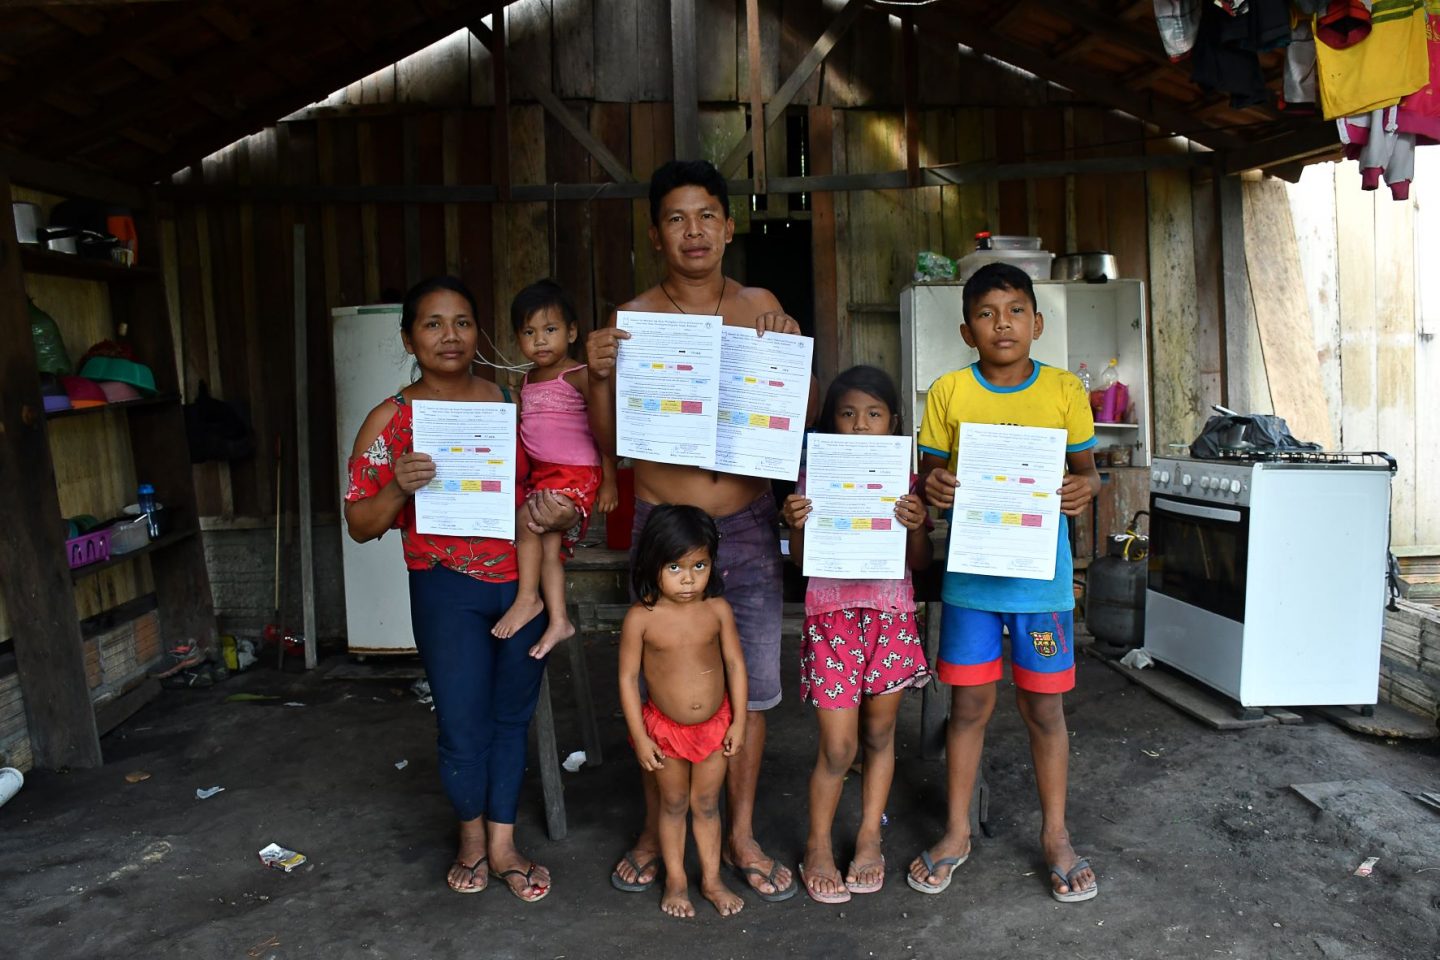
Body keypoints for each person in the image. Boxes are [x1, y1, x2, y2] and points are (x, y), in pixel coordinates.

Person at [587, 159, 809, 902]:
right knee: (664, 685)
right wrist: (597, 377)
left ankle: (738, 831)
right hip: (663, 523)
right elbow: (609, 436)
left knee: (748, 689)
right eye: (677, 218)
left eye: (706, 215)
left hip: (744, 523)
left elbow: (793, 418)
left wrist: (788, 345)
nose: (694, 231)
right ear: (657, 233)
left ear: (728, 225)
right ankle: (659, 828)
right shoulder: (632, 320)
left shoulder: (761, 305)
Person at [343, 276, 579, 902]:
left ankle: (502, 844)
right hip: (445, 588)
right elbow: (360, 523)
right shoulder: (391, 420)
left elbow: (561, 479)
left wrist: (563, 512)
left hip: (521, 584)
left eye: (463, 322)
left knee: (511, 715)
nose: (450, 335)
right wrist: (398, 486)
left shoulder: (514, 403)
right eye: (432, 323)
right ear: (407, 338)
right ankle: (471, 838)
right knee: (461, 721)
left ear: (480, 333)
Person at [909, 262, 1102, 902]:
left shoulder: (1065, 392)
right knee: (968, 707)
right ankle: (957, 832)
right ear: (968, 331)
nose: (1003, 324)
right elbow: (930, 478)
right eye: (988, 314)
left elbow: (1089, 473)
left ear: (1037, 322)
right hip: (971, 583)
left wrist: (1084, 487)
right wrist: (933, 489)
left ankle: (1055, 836)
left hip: (1040, 586)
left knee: (1044, 708)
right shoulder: (948, 393)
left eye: (1016, 310)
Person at [781, 365, 934, 903]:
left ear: (894, 424)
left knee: (878, 736)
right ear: (829, 425)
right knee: (838, 745)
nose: (860, 426)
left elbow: (918, 562)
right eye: (847, 414)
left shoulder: (906, 483)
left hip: (890, 615)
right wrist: (795, 526)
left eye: (874, 414)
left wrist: (917, 525)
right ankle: (817, 844)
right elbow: (801, 565)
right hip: (832, 619)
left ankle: (869, 836)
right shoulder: (813, 478)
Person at [618, 505, 749, 919]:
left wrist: (740, 721)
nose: (689, 578)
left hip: (715, 727)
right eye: (674, 566)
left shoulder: (717, 611)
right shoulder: (642, 618)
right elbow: (626, 679)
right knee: (672, 803)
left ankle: (710, 880)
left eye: (699, 565)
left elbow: (735, 666)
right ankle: (676, 881)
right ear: (651, 563)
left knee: (707, 804)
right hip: (664, 732)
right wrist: (640, 736)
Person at [492, 279, 618, 656]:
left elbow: (604, 432)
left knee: (528, 522)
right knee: (548, 545)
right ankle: (559, 619)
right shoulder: (527, 380)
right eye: (529, 333)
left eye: (550, 330)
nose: (540, 340)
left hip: (574, 473)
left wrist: (609, 482)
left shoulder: (579, 374)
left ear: (572, 332)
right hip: (544, 475)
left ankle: (529, 598)